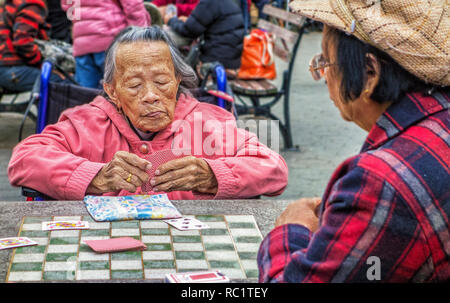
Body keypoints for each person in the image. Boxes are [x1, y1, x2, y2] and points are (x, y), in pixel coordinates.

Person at [257, 0, 449, 282]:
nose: (323, 76)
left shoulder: (378, 181)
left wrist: (292, 228)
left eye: (325, 61)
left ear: (369, 73)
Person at [8, 26, 288, 201]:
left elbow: (273, 168)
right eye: (134, 84)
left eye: (162, 81)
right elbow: (24, 159)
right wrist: (96, 176)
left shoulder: (207, 123)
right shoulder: (85, 124)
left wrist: (211, 175)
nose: (151, 95)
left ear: (178, 81)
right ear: (112, 90)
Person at [60, 0, 150, 89]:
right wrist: (140, 35)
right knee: (123, 90)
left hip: (81, 43)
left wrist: (79, 21)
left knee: (86, 95)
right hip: (111, 39)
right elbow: (133, 5)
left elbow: (67, 5)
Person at [0, 0, 67, 92]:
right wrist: (42, 65)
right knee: (66, 84)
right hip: (13, 69)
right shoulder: (32, 4)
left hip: (6, 68)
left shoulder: (10, 3)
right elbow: (23, 42)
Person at [166, 0, 245, 70]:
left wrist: (171, 20)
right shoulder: (232, 2)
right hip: (233, 62)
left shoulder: (210, 2)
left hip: (214, 63)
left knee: (165, 38)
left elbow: (189, 31)